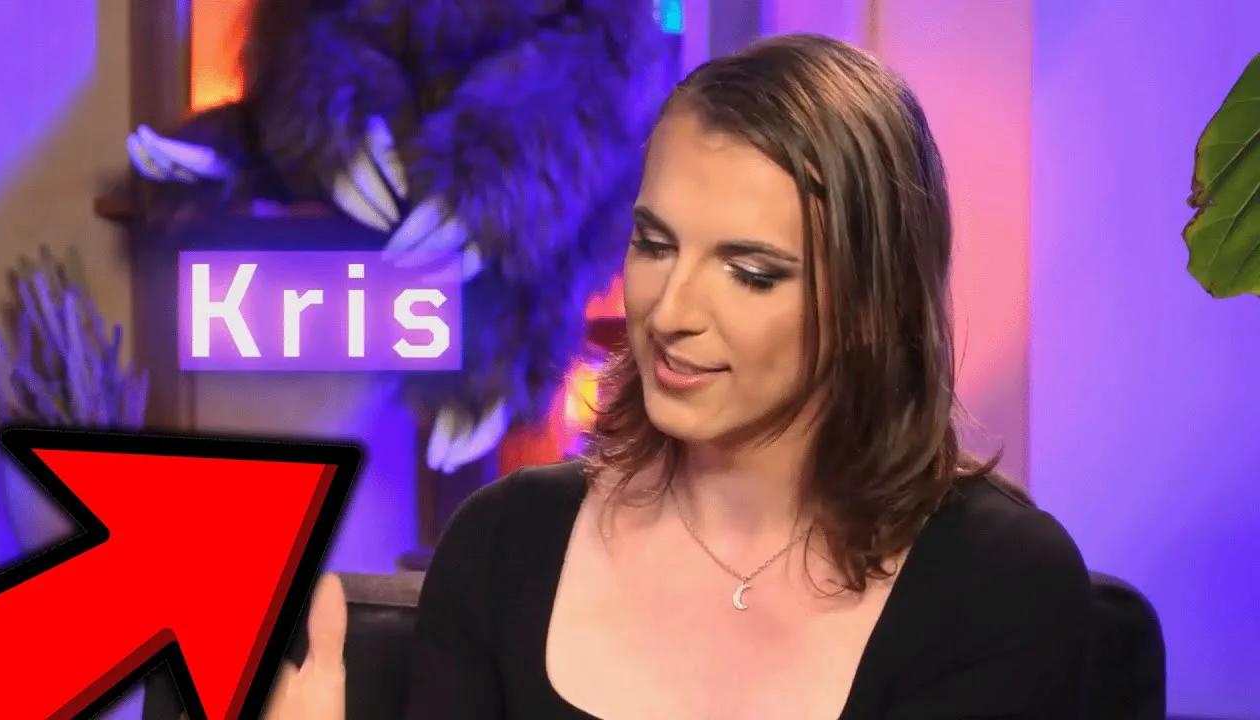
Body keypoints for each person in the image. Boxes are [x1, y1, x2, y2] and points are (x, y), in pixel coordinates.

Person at [278, 33, 1092, 719]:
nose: (670, 312)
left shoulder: (997, 582)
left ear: (871, 304)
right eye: (655, 245)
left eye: (750, 273)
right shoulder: (503, 545)